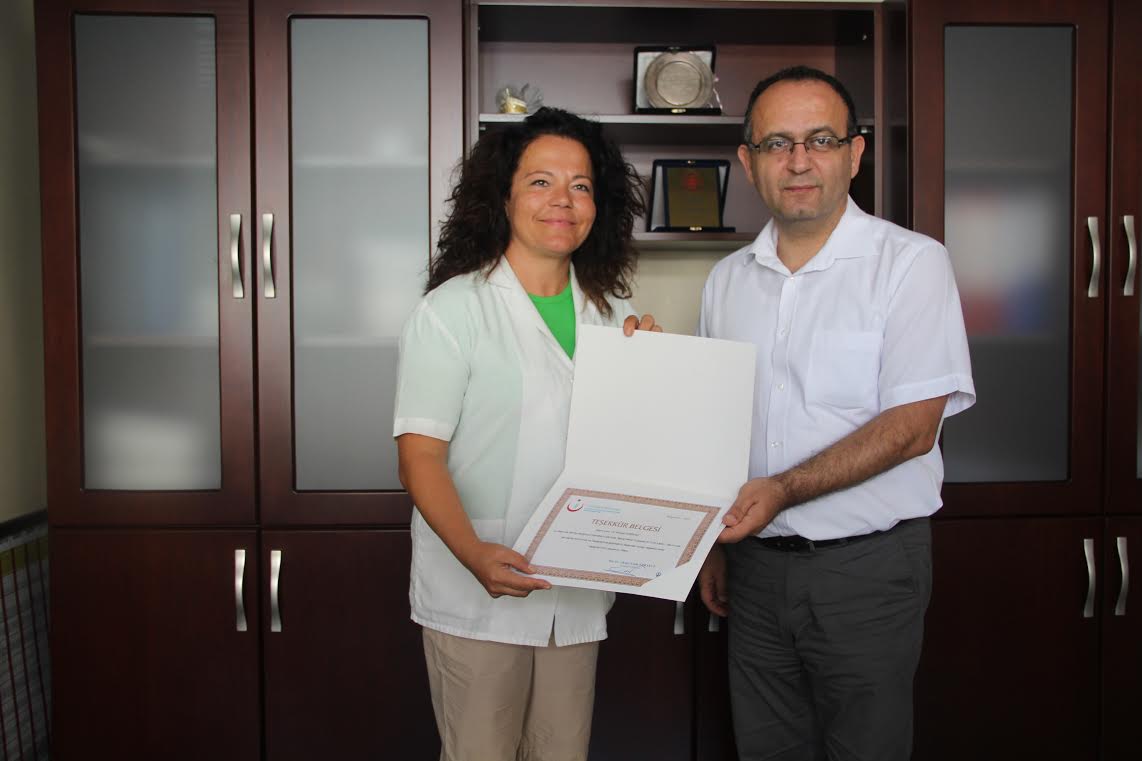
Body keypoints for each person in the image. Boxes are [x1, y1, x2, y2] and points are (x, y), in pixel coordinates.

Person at [696, 66, 975, 761]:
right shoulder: (726, 281)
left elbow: (911, 429)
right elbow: (715, 423)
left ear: (855, 153)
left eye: (820, 139)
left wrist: (781, 490)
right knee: (765, 748)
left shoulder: (910, 264)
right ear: (749, 162)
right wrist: (712, 546)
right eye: (777, 143)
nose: (799, 161)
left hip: (867, 569)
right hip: (753, 569)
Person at [393, 106, 659, 761]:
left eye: (580, 185)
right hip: (475, 593)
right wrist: (473, 552)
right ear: (504, 196)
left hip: (575, 595)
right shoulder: (453, 310)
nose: (562, 199)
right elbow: (419, 455)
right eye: (541, 181)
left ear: (599, 205)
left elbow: (629, 450)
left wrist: (656, 372)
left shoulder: (616, 317)